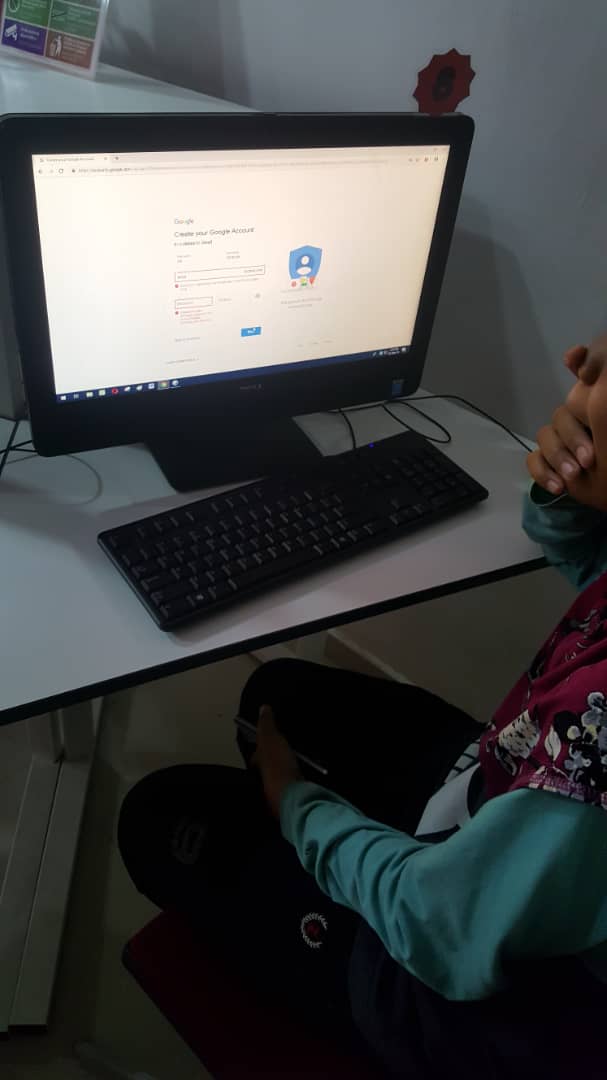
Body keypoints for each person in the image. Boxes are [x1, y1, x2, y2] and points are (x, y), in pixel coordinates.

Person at [119, 337, 607, 1079]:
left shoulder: (592, 760)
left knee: (156, 814)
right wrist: (569, 492)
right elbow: (591, 570)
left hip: (449, 995)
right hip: (497, 793)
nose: (588, 357)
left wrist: (297, 810)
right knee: (276, 694)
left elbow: (438, 926)